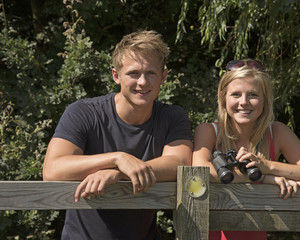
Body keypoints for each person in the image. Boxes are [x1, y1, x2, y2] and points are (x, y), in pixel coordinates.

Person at [43, 30, 193, 240]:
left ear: (163, 77)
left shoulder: (172, 117)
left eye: (151, 73)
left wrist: (119, 174)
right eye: (133, 73)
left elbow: (180, 162)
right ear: (116, 75)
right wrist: (117, 159)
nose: (143, 82)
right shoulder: (83, 112)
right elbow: (52, 170)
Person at [192, 59, 300, 240]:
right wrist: (266, 178)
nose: (244, 102)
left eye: (253, 95)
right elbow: (198, 172)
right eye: (235, 94)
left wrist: (268, 166)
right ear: (222, 97)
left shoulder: (277, 132)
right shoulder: (209, 131)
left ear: (265, 100)